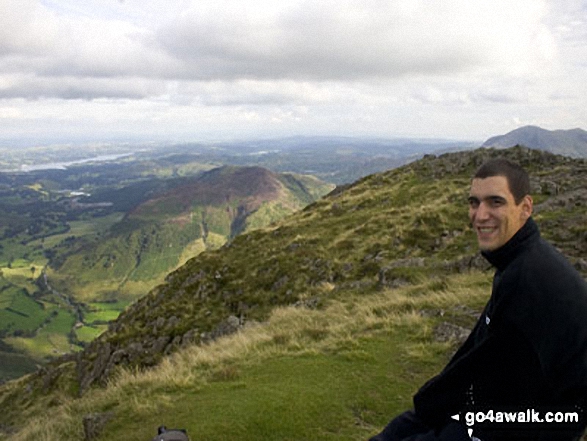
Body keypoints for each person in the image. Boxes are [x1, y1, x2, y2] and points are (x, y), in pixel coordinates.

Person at [369, 158, 587, 441]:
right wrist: (428, 407)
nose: (480, 215)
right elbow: (479, 357)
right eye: (474, 202)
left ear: (526, 208)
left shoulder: (529, 280)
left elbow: (495, 390)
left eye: (495, 202)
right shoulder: (520, 262)